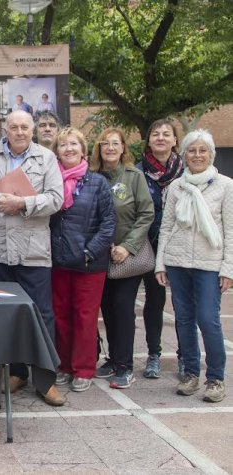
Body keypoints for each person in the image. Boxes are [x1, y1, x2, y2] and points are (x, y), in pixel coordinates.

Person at [0, 110, 65, 406]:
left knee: (41, 314)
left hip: (33, 251)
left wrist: (22, 203)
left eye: (24, 127)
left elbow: (56, 199)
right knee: (5, 314)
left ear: (32, 130)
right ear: (5, 129)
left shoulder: (46, 158)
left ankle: (46, 379)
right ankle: (17, 372)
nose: (19, 132)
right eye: (14, 127)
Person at [155, 129, 230, 403]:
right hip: (177, 262)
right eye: (192, 150)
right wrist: (160, 263)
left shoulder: (225, 185)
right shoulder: (176, 186)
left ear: (211, 154)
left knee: (208, 320)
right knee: (184, 320)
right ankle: (189, 373)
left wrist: (228, 269)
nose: (197, 155)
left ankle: (215, 378)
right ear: (184, 154)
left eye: (203, 150)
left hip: (210, 264)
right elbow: (166, 227)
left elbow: (231, 231)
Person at [49, 128, 115, 393]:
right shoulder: (50, 182)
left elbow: (108, 223)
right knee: (60, 317)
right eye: (63, 145)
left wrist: (90, 251)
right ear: (57, 152)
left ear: (83, 150)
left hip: (89, 264)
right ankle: (64, 365)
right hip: (58, 262)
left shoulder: (98, 182)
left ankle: (84, 368)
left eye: (73, 144)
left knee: (85, 318)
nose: (68, 149)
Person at [90, 128, 154, 389]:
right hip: (100, 256)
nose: (110, 148)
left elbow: (146, 214)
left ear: (123, 148)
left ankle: (125, 366)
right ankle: (113, 359)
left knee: (123, 308)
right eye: (105, 143)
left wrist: (127, 246)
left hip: (126, 256)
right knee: (106, 309)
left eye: (115, 143)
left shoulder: (134, 176)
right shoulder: (92, 177)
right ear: (99, 148)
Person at [137, 118, 184, 379]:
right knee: (154, 302)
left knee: (183, 304)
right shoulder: (137, 171)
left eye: (167, 134)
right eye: (156, 134)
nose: (161, 138)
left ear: (175, 140)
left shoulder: (187, 172)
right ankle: (154, 355)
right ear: (149, 140)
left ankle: (184, 356)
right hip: (150, 245)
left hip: (180, 247)